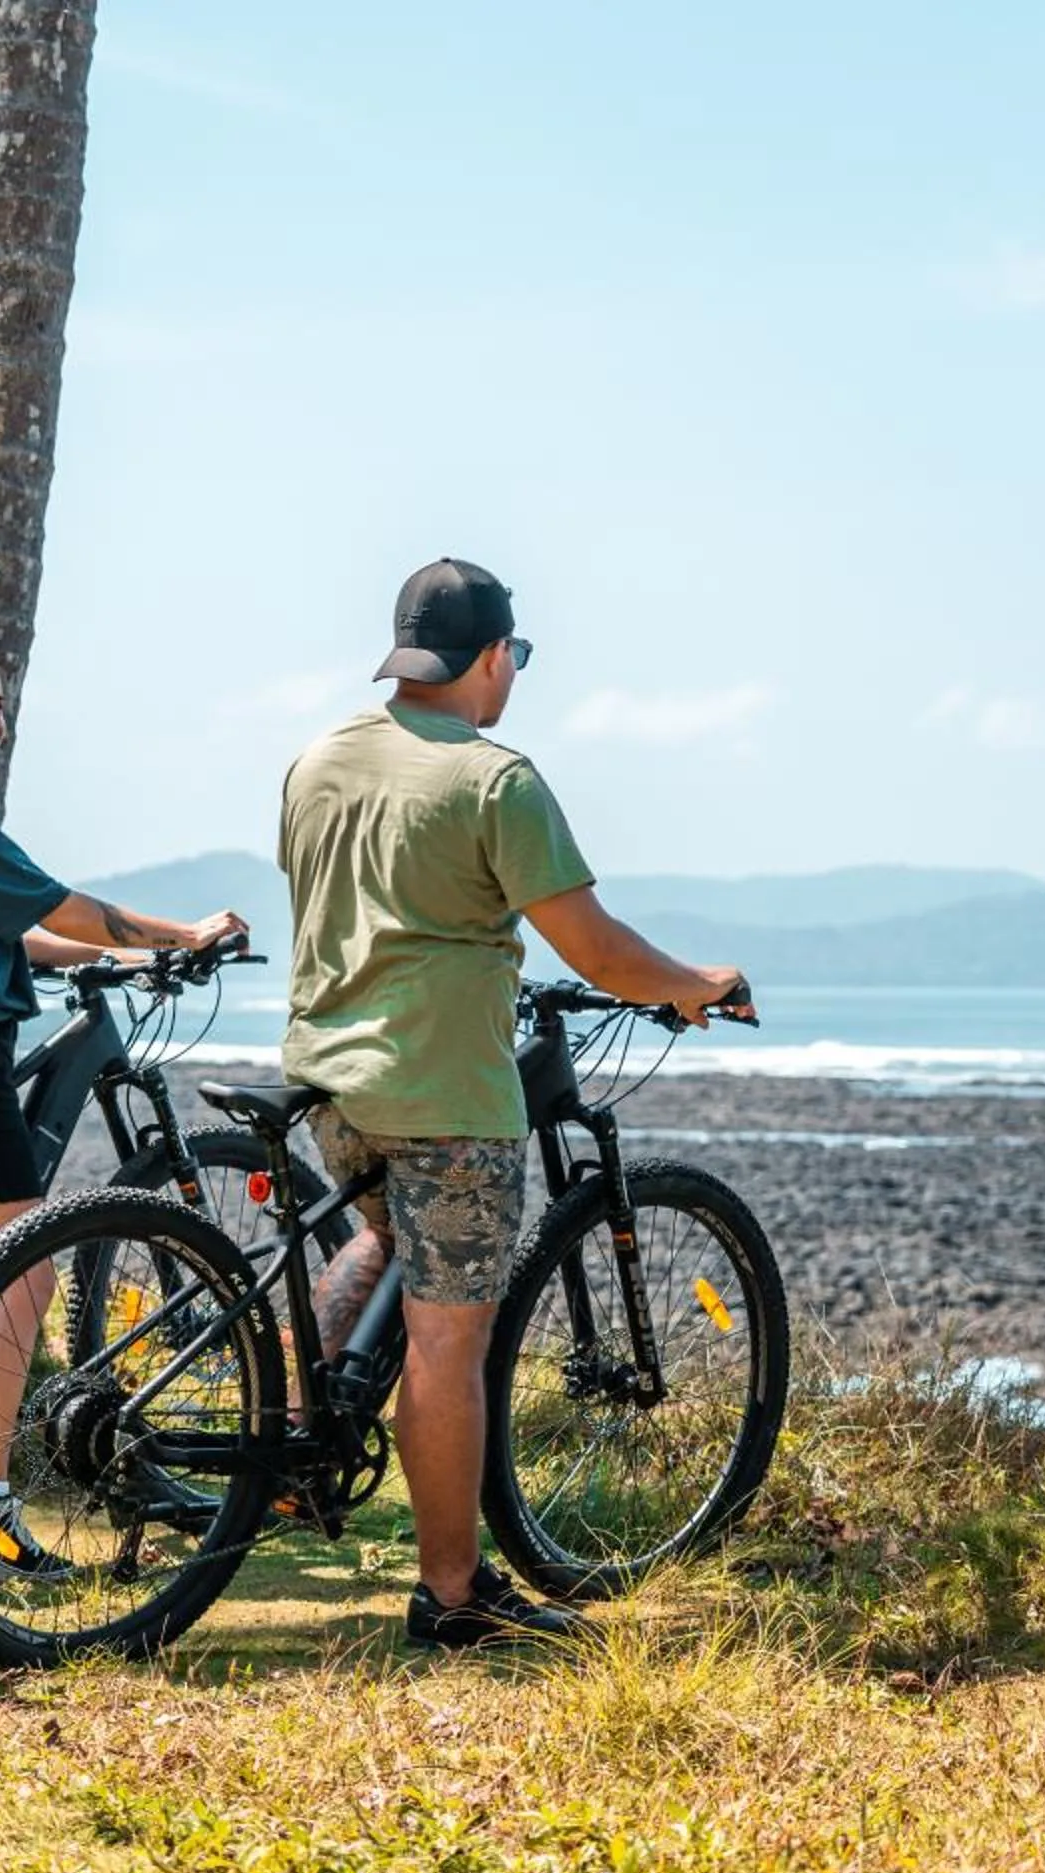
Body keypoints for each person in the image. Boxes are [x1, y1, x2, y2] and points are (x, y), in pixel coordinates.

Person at [278, 557, 753, 1649]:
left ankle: (304, 1446)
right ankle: (452, 1594)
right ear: (491, 656)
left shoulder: (318, 760)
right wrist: (700, 985)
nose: (515, 679)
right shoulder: (497, 779)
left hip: (327, 1078)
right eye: (517, 659)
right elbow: (594, 947)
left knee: (376, 1235)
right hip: (444, 1089)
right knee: (453, 1340)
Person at [0, 640, 246, 1578]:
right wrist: (185, 933)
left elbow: (12, 935)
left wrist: (132, 959)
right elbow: (60, 907)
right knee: (23, 1273)